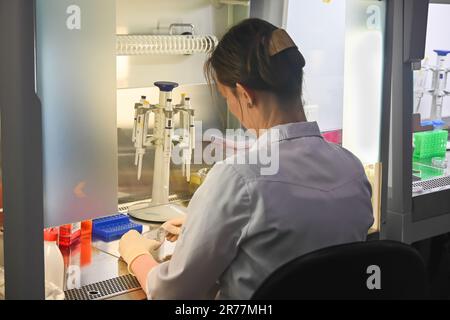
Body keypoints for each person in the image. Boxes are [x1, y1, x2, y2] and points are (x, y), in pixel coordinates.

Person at [119, 18, 374, 300]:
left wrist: (136, 254)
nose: (231, 107)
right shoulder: (351, 168)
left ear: (245, 94)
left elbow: (173, 293)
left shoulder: (239, 178)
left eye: (226, 97)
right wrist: (202, 226)